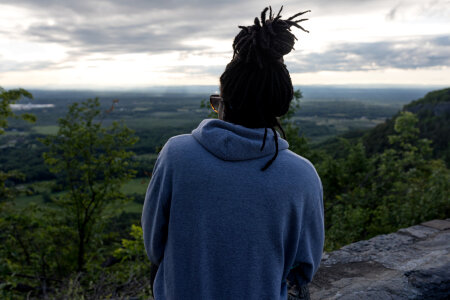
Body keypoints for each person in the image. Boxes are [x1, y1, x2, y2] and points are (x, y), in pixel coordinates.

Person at [141, 6, 324, 300]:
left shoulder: (176, 155)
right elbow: (303, 269)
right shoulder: (302, 175)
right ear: (280, 106)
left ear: (224, 102)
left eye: (217, 101)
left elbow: (154, 245)